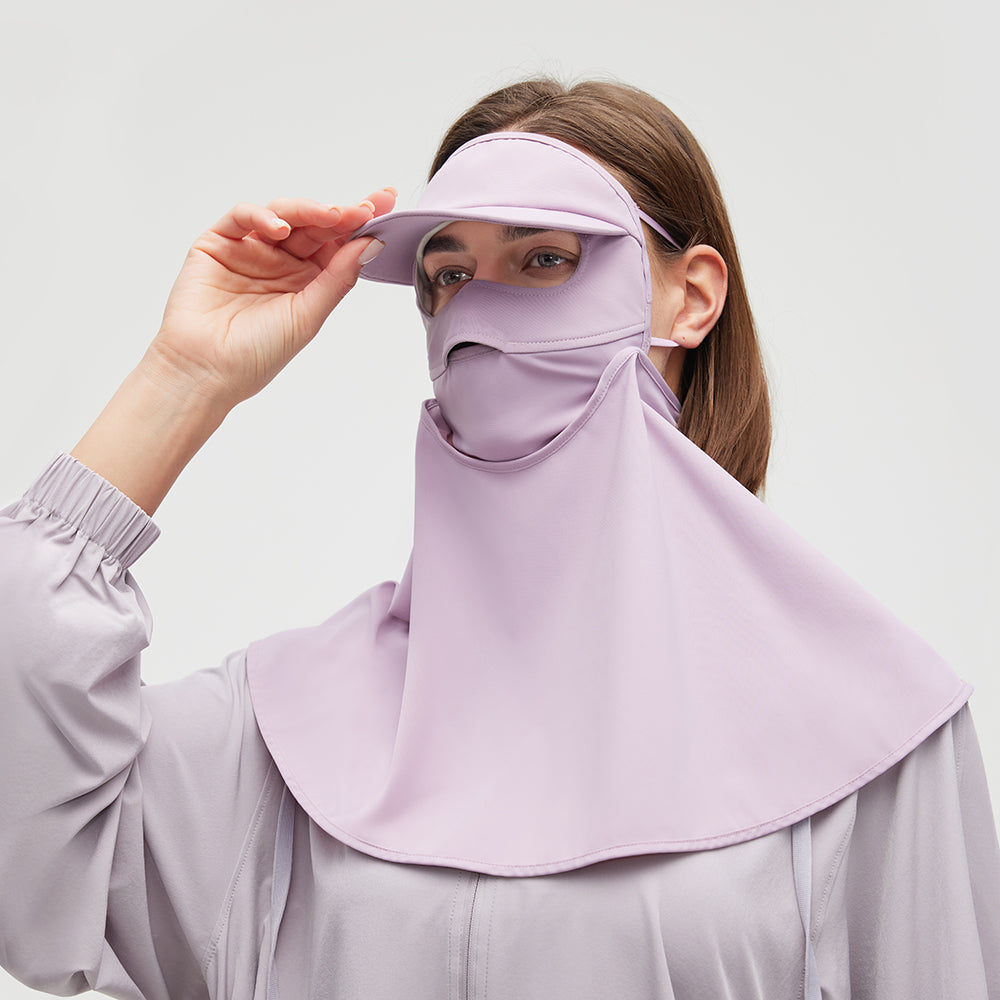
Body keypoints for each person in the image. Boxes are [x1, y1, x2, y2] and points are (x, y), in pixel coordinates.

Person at [1, 78, 998, 1000]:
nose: (477, 305)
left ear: (690, 297)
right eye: (447, 274)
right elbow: (27, 849)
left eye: (544, 259)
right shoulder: (279, 739)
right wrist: (183, 377)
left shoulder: (871, 729)